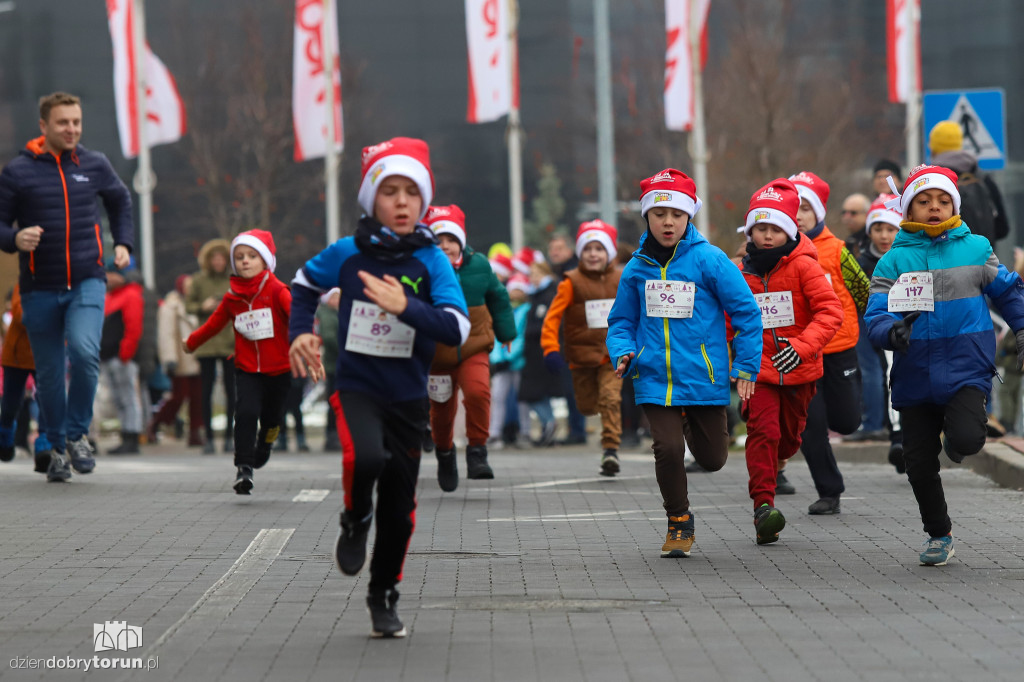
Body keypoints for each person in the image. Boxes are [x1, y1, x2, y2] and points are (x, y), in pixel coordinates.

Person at [288, 137, 469, 638]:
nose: (403, 201)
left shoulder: (431, 260)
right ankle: (353, 517)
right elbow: (301, 285)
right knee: (364, 459)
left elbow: (456, 327)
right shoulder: (347, 254)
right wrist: (300, 330)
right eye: (391, 191)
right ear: (373, 199)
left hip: (408, 396)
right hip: (357, 386)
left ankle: (382, 592)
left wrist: (405, 307)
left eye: (412, 192)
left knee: (401, 511)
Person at [864, 164, 1024, 566]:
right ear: (909, 209)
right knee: (917, 464)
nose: (934, 207)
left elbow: (1007, 292)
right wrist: (890, 332)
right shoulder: (892, 262)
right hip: (914, 374)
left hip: (967, 369)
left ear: (954, 204)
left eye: (942, 200)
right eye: (923, 200)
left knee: (968, 440)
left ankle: (955, 436)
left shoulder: (976, 248)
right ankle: (939, 533)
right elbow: (875, 315)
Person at [606, 168, 762, 558]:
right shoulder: (637, 267)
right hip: (653, 376)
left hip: (703, 376)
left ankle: (692, 419)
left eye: (676, 214)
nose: (668, 222)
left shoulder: (709, 259)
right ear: (647, 217)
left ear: (689, 215)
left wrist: (746, 366)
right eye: (659, 215)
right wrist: (623, 349)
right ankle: (678, 521)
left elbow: (746, 312)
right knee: (668, 449)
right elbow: (621, 321)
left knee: (713, 459)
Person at [0, 91, 134, 482]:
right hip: (39, 288)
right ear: (44, 126)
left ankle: (77, 436)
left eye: (76, 122)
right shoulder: (18, 172)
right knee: (49, 375)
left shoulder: (94, 164)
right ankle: (56, 447)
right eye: (63, 123)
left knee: (84, 351)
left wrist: (123, 243)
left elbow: (120, 200)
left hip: (87, 282)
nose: (72, 129)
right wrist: (14, 239)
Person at [734, 178, 842, 545]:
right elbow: (727, 321)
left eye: (775, 229)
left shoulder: (805, 267)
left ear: (791, 230)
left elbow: (830, 312)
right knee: (762, 432)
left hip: (800, 370)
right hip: (758, 370)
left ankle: (779, 459)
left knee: (787, 440)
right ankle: (763, 507)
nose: (766, 236)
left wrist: (802, 346)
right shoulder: (740, 273)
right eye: (760, 228)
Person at [184, 229, 292, 494]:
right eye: (240, 257)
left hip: (279, 368)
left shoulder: (279, 291)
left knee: (271, 418)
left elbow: (299, 321)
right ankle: (244, 468)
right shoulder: (233, 297)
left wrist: (312, 352)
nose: (245, 261)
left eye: (252, 256)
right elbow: (213, 324)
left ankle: (266, 442)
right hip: (246, 367)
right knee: (244, 412)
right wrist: (192, 342)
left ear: (265, 261)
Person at [789, 172, 870, 514]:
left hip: (840, 350)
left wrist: (857, 321)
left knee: (848, 421)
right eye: (793, 207)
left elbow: (863, 291)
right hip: (802, 354)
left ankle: (850, 413)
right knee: (811, 426)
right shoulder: (778, 254)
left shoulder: (838, 250)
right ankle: (829, 491)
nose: (798, 215)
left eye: (805, 207)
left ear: (819, 212)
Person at [424, 204, 515, 489]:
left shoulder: (479, 265)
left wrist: (506, 332)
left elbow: (498, 298)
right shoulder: (422, 267)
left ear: (461, 241)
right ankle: (444, 452)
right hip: (436, 352)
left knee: (478, 391)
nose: (446, 246)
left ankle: (477, 451)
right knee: (441, 409)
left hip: (474, 344)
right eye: (439, 240)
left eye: (451, 240)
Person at [541, 220, 623, 475]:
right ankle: (599, 418)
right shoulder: (570, 282)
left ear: (609, 252)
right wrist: (550, 348)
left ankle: (610, 450)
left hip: (613, 355)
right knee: (587, 407)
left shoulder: (621, 278)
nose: (593, 254)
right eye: (588, 249)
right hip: (581, 357)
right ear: (579, 253)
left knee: (610, 398)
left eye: (599, 248)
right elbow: (552, 317)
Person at [856, 195, 906, 470]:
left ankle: (901, 436)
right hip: (868, 324)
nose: (884, 235)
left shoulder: (908, 256)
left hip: (902, 324)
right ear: (869, 232)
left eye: (891, 229)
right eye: (878, 229)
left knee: (893, 371)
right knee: (876, 372)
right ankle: (888, 430)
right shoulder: (861, 260)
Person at [186, 238, 236, 454]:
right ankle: (208, 438)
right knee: (205, 391)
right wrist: (203, 306)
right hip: (206, 343)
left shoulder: (234, 280)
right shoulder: (198, 281)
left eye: (222, 258)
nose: (218, 262)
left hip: (229, 342)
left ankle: (229, 437)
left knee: (231, 391)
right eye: (214, 258)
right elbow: (188, 305)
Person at [929, 120, 1010, 248]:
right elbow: (1002, 228)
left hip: (946, 261)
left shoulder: (931, 181)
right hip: (983, 261)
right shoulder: (982, 179)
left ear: (933, 147)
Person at [0, 285, 53, 469]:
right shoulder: (22, 286)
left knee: (47, 398)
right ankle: (5, 433)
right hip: (16, 356)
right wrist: (50, 316)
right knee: (11, 402)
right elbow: (19, 312)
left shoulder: (59, 286)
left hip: (45, 355)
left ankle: (44, 445)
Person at [149, 275, 203, 446]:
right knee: (178, 396)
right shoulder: (170, 306)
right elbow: (166, 335)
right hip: (180, 359)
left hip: (197, 357)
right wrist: (169, 359)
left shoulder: (196, 304)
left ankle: (195, 432)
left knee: (198, 396)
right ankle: (156, 423)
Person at [99, 262, 146, 455]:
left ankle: (132, 436)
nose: (107, 278)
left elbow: (133, 327)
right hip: (109, 356)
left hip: (122, 358)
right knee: (119, 399)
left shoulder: (130, 294)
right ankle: (126, 436)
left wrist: (125, 354)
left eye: (111, 274)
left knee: (128, 398)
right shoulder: (109, 296)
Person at [519, 257, 563, 446]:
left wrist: (528, 332)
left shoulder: (548, 294)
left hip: (541, 351)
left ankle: (549, 423)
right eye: (531, 274)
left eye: (537, 274)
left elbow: (548, 323)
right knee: (535, 393)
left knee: (532, 393)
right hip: (533, 353)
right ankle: (548, 424)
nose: (533, 278)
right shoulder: (536, 295)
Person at [489, 274, 530, 448]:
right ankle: (495, 433)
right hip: (501, 363)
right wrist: (498, 358)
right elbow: (497, 334)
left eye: (520, 289)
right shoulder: (502, 308)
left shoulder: (527, 309)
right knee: (498, 397)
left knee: (522, 398)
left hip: (518, 362)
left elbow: (521, 336)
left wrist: (511, 357)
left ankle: (525, 433)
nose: (516, 292)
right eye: (513, 288)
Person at [314, 288, 341, 451]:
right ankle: (332, 435)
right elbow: (329, 337)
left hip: (341, 364)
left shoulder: (339, 313)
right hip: (333, 364)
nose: (337, 300)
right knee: (334, 402)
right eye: (335, 297)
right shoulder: (326, 314)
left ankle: (336, 434)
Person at [840, 193, 871, 258]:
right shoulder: (850, 240)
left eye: (853, 213)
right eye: (844, 212)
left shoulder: (874, 240)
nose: (847, 217)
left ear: (867, 214)